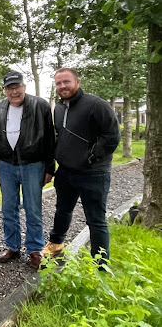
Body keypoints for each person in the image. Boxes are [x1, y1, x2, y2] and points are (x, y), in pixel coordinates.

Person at [42, 68, 121, 262]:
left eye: (66, 82)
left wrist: (91, 158)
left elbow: (112, 136)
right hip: (66, 172)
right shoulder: (59, 108)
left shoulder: (96, 105)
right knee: (62, 210)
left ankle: (100, 264)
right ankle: (56, 244)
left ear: (77, 81)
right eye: (58, 83)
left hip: (93, 173)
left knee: (96, 220)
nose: (62, 86)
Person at [0, 72, 55, 269]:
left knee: (33, 208)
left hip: (33, 164)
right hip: (5, 165)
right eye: (10, 88)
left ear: (24, 87)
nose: (14, 92)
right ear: (5, 90)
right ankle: (12, 246)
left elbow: (50, 138)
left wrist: (50, 167)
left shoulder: (40, 105)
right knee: (9, 207)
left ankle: (35, 249)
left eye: (17, 87)